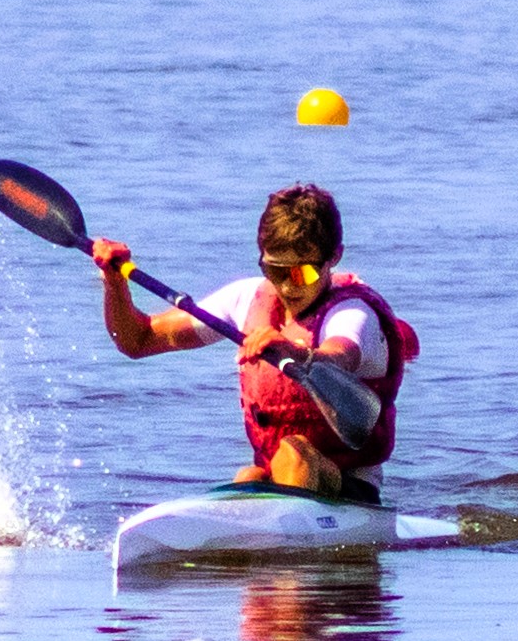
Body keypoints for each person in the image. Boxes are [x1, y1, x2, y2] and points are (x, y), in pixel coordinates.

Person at [90, 184, 417, 503]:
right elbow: (137, 340)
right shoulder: (246, 299)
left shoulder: (352, 313)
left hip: (352, 491)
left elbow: (341, 354)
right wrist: (114, 282)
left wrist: (297, 352)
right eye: (275, 270)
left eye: (301, 274)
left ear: (333, 257)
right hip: (279, 480)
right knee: (250, 476)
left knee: (292, 453)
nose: (287, 287)